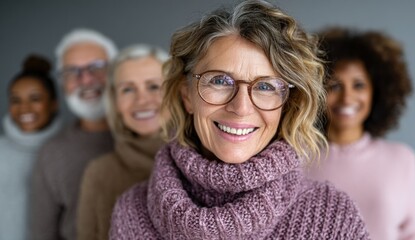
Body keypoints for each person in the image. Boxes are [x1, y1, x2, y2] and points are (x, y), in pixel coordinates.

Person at [109, 1, 370, 239]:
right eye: (220, 81)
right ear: (187, 94)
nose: (241, 107)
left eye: (266, 86)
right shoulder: (131, 211)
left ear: (288, 103)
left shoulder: (332, 217)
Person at [306, 27, 415, 239]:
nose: (347, 98)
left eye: (359, 85)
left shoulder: (402, 159)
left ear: (376, 92)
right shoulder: (297, 158)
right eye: (335, 86)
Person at [30, 28, 117, 240]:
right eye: (72, 71)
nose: (86, 79)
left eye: (97, 67)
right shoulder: (52, 153)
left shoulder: (153, 138)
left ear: (117, 71)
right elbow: (42, 234)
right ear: (63, 84)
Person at [76, 44, 169, 240]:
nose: (142, 100)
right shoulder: (99, 173)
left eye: (153, 86)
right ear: (114, 101)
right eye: (127, 89)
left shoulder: (207, 159)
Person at [0, 54, 61, 240]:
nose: (24, 108)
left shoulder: (66, 152)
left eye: (34, 98)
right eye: (16, 100)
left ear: (53, 104)